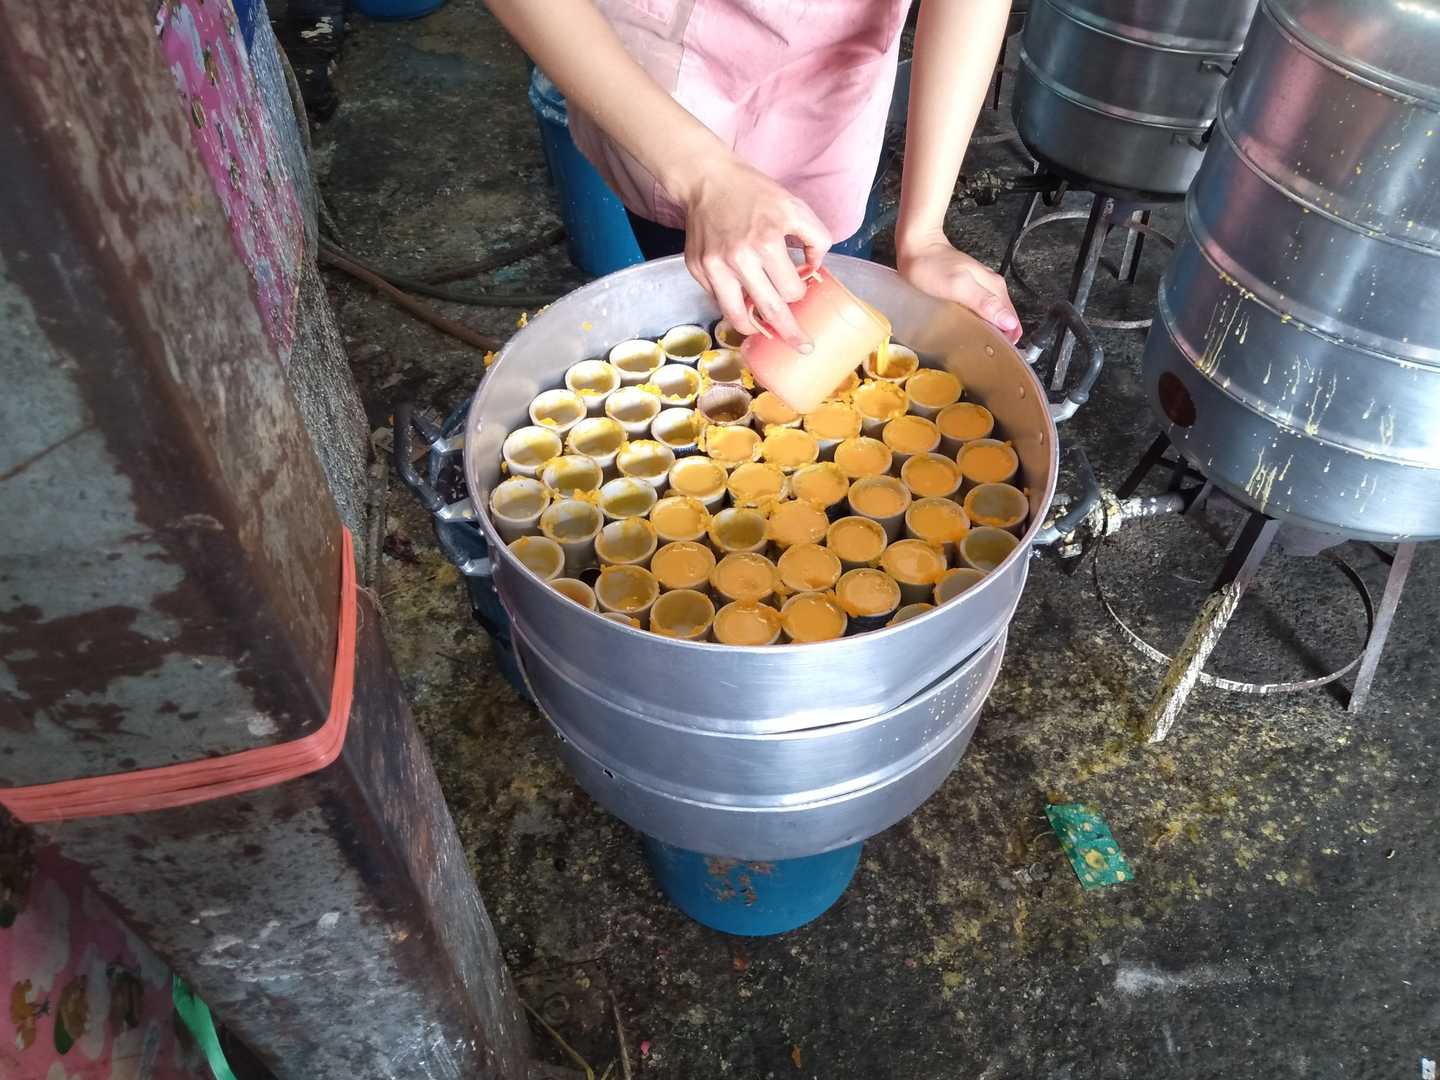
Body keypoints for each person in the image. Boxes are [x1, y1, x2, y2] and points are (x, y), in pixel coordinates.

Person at [486, 0, 1020, 349]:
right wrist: (704, 177)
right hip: (674, 86)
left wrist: (924, 234)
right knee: (704, 306)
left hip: (835, 77)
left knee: (821, 295)